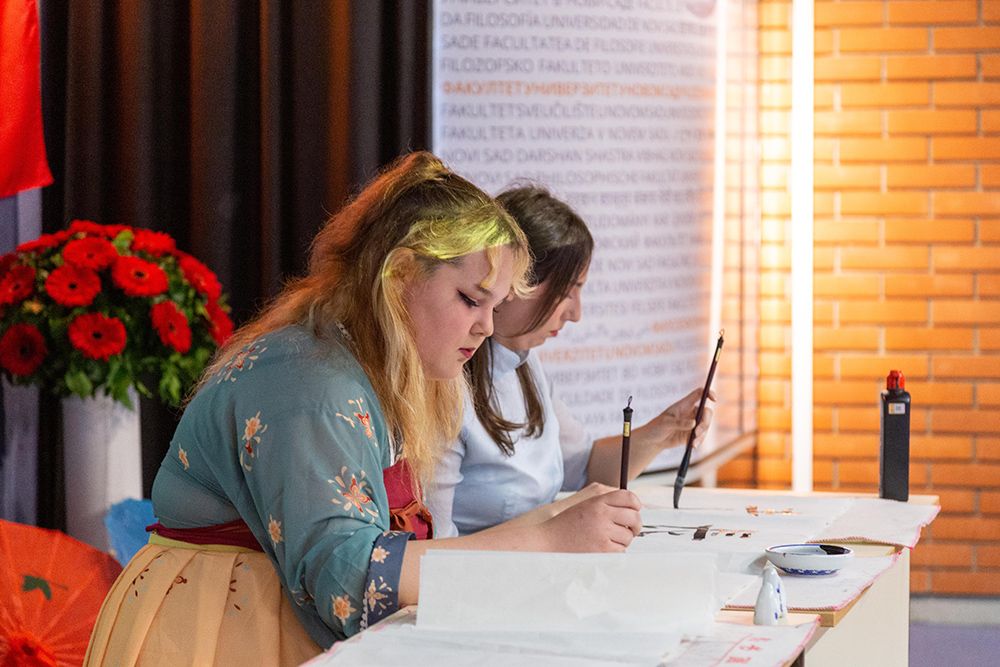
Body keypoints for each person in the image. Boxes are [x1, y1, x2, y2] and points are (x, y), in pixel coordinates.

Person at [85, 154, 644, 666]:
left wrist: (548, 526)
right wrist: (544, 541)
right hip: (219, 634)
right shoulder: (310, 383)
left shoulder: (367, 366)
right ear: (398, 277)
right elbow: (349, 579)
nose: (486, 327)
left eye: (495, 307)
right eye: (471, 300)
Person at [426, 186, 715, 538]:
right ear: (515, 282)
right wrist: (555, 521)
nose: (575, 313)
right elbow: (435, 547)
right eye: (566, 292)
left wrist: (663, 430)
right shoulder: (444, 382)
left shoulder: (525, 365)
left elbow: (584, 468)